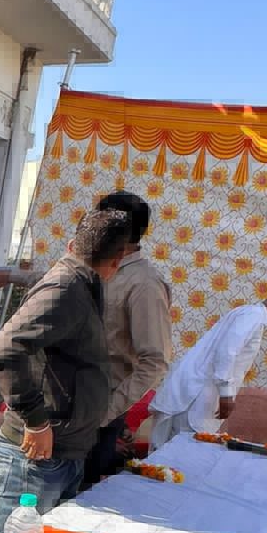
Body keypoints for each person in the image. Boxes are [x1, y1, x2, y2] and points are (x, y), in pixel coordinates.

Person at [0, 207, 135, 533]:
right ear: (117, 261)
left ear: (71, 244)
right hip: (40, 451)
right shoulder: (65, 288)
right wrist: (36, 421)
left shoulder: (84, 282)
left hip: (65, 447)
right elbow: (3, 352)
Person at [148, 288, 267, 449]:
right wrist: (226, 395)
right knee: (180, 447)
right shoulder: (253, 317)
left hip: (199, 388)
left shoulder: (249, 314)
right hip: (196, 392)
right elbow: (226, 352)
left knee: (179, 447)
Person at [83, 191, 171, 483]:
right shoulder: (96, 266)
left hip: (97, 412)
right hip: (68, 405)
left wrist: (107, 413)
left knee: (74, 498)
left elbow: (155, 361)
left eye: (97, 221)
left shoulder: (145, 284)